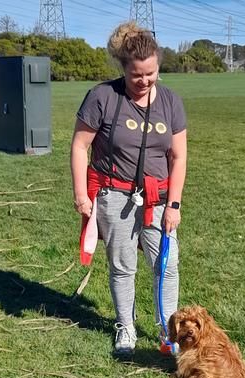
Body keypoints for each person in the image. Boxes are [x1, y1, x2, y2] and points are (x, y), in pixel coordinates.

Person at [70, 21, 187, 355]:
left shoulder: (170, 102)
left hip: (159, 198)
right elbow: (80, 147)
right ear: (123, 69)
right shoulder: (102, 97)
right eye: (137, 75)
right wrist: (81, 193)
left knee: (166, 263)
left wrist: (175, 205)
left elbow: (178, 157)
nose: (145, 81)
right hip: (113, 196)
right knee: (122, 265)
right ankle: (126, 326)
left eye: (151, 74)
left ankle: (168, 330)